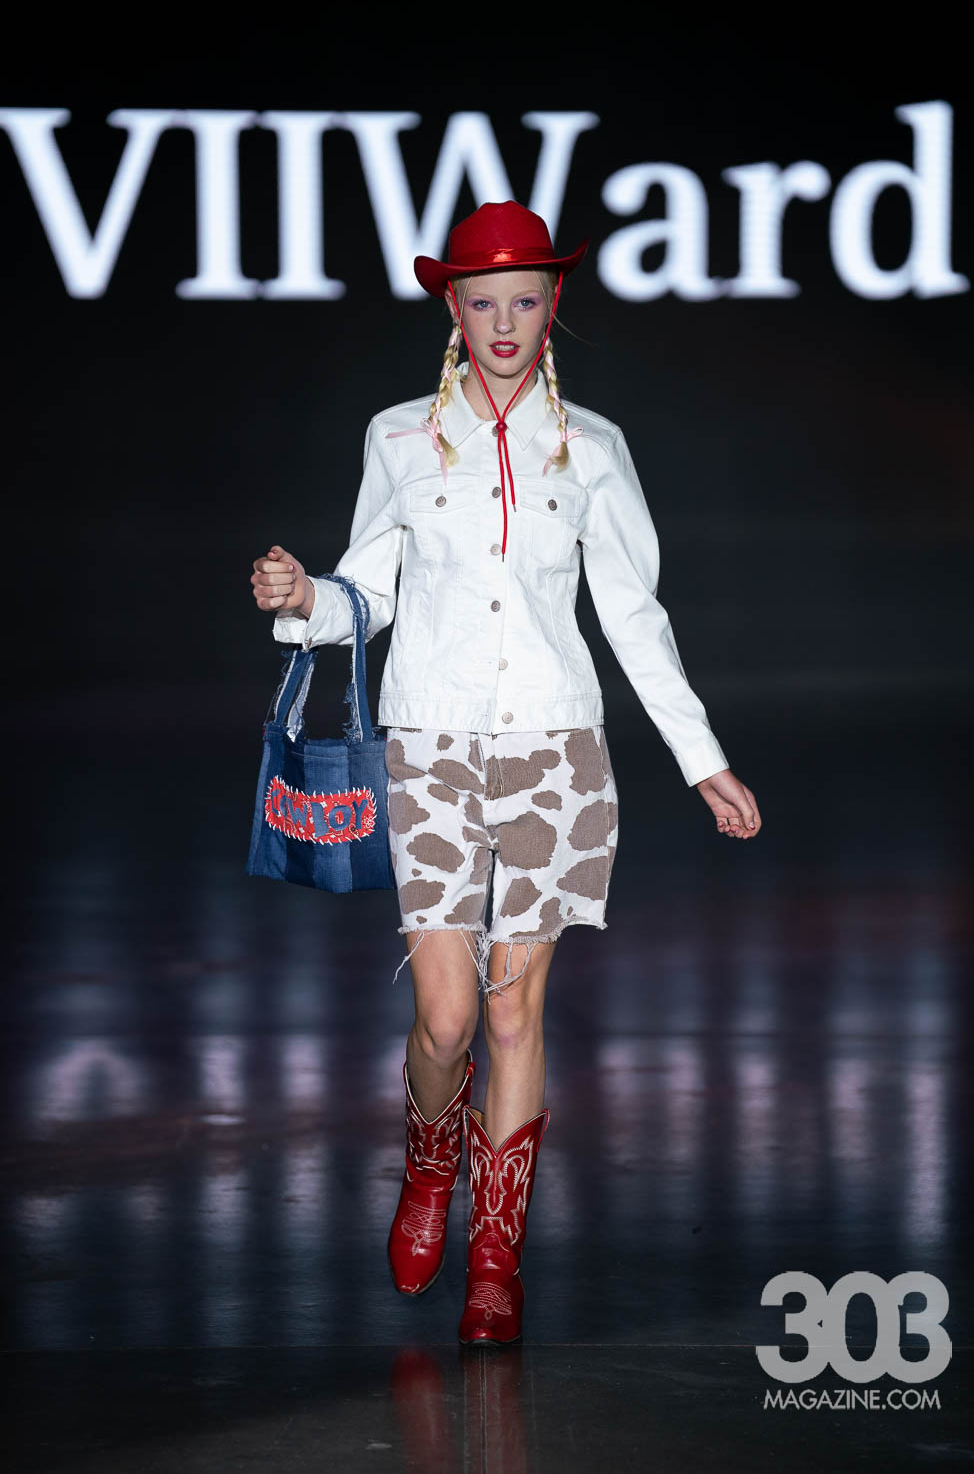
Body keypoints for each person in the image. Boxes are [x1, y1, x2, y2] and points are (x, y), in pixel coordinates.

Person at [250, 200, 761, 1348]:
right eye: (480, 301)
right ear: (452, 307)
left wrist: (701, 759)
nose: (501, 322)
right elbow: (365, 595)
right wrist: (302, 598)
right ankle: (428, 1168)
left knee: (511, 1010)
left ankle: (495, 1259)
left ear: (552, 305)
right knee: (442, 1021)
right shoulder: (397, 438)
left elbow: (632, 614)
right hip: (429, 748)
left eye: (523, 300)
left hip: (554, 756)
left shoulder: (594, 449)